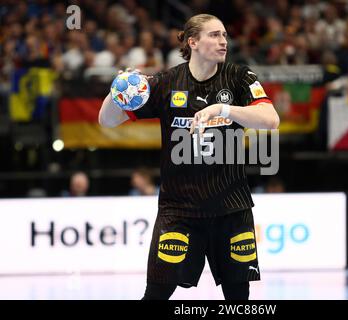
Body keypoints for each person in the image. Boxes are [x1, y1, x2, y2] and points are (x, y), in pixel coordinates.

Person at [98, 14, 280, 300]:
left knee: (238, 297)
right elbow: (107, 121)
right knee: (156, 293)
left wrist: (223, 110)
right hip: (179, 211)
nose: (223, 41)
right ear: (193, 41)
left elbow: (271, 120)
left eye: (224, 35)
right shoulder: (167, 82)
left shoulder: (239, 77)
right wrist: (118, 91)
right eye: (214, 35)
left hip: (231, 208)